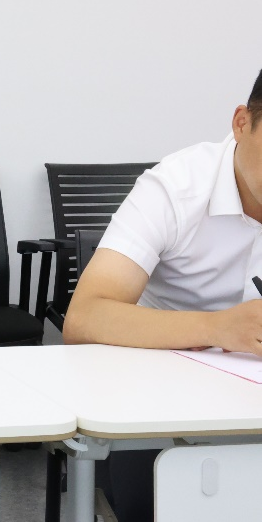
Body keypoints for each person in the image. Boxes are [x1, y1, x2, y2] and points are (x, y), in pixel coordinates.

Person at [63, 68, 262, 522]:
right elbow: (85, 317)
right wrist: (217, 327)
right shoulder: (175, 187)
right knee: (157, 504)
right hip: (159, 398)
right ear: (242, 123)